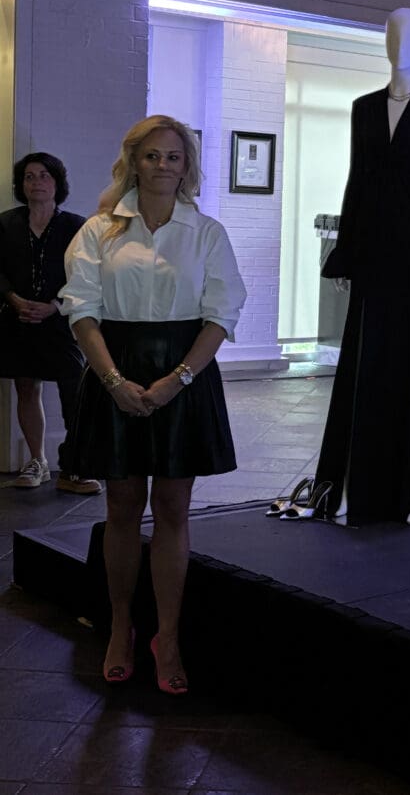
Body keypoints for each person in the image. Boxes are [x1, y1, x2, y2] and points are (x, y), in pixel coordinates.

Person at [59, 115, 246, 694]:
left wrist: (177, 380)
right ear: (132, 162)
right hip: (115, 372)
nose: (163, 166)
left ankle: (168, 636)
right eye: (152, 156)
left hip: (184, 376)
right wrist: (113, 380)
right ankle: (121, 628)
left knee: (172, 509)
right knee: (120, 507)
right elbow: (81, 310)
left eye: (174, 157)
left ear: (186, 165)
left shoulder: (207, 232)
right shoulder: (98, 230)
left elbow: (222, 313)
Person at [314, 7, 410, 526]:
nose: (399, 42)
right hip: (374, 249)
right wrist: (345, 249)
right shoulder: (364, 108)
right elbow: (356, 179)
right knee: (364, 363)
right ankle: (351, 488)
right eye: (392, 32)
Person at [0, 152, 100, 494]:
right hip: (17, 319)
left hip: (60, 322)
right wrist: (13, 299)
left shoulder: (77, 226)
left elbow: (88, 274)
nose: (36, 182)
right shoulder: (6, 223)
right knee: (25, 386)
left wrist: (54, 307)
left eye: (44, 176)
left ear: (57, 183)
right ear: (21, 184)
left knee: (74, 390)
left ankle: (73, 468)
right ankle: (37, 462)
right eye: (29, 176)